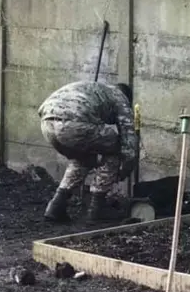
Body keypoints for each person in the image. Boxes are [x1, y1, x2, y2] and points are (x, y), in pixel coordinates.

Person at [38, 81, 138, 223]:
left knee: (82, 158)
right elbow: (128, 139)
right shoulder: (120, 98)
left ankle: (56, 206)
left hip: (47, 124)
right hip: (74, 123)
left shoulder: (96, 89)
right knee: (116, 149)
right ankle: (97, 209)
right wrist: (127, 167)